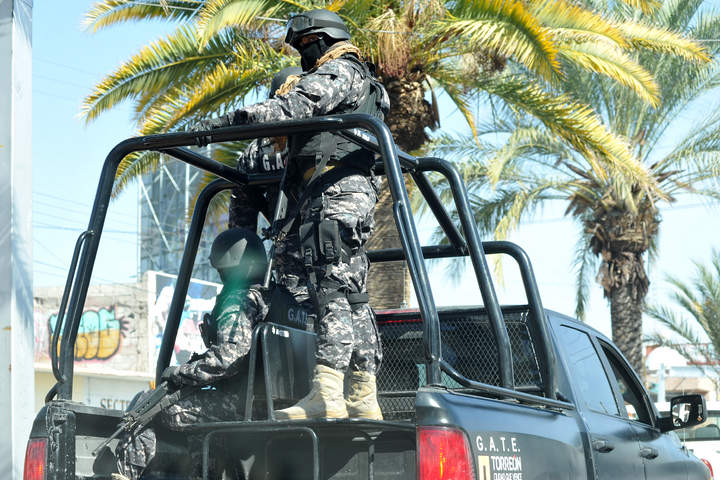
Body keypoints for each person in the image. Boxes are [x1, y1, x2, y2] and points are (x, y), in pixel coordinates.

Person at [195, 9, 389, 421]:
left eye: (305, 45)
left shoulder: (340, 71)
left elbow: (296, 104)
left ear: (324, 39)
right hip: (342, 200)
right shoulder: (368, 84)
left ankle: (328, 394)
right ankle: (362, 395)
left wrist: (231, 121)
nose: (303, 55)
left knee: (331, 291)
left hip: (334, 197)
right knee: (352, 295)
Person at [112, 228, 268, 480]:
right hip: (262, 405)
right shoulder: (269, 300)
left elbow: (226, 360)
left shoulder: (237, 301)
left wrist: (179, 373)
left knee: (149, 407)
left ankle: (125, 476)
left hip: (241, 405)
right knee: (199, 425)